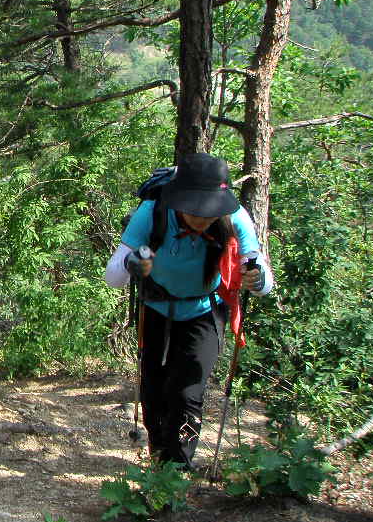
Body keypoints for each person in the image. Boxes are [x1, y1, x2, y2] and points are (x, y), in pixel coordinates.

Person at [105, 153, 274, 469]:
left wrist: (257, 276)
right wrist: (133, 265)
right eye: (195, 209)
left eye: (209, 212)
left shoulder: (235, 218)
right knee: (154, 393)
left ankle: (177, 469)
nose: (201, 218)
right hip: (156, 307)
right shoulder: (152, 211)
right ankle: (160, 461)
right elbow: (113, 276)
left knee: (187, 392)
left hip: (205, 310)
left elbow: (263, 280)